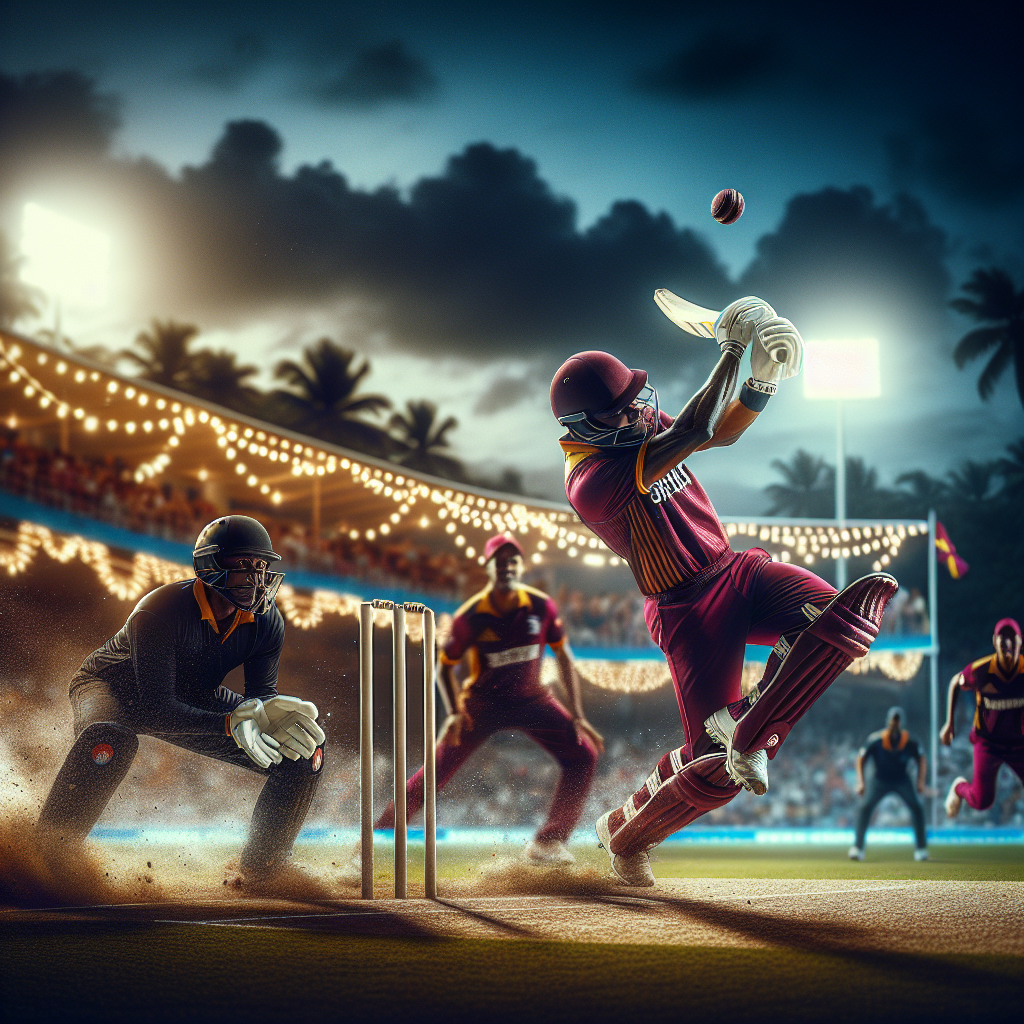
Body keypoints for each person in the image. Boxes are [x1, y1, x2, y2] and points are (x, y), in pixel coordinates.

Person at [550, 291, 897, 885]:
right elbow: (693, 429)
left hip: (738, 572)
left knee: (833, 615)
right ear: (584, 426)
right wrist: (733, 346)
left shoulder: (630, 424)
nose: (638, 413)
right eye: (621, 410)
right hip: (687, 609)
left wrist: (760, 383)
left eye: (638, 401)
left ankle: (746, 732)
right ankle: (626, 835)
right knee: (711, 772)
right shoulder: (590, 480)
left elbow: (719, 434)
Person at [35, 515, 327, 884]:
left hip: (191, 693)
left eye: (261, 566)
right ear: (210, 565)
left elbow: (260, 699)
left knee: (303, 753)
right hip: (112, 686)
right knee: (109, 737)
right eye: (243, 565)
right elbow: (157, 709)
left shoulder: (267, 621)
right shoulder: (160, 609)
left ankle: (260, 871)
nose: (255, 578)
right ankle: (44, 858)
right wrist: (226, 723)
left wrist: (269, 713)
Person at [365, 533, 603, 867]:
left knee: (583, 755)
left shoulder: (540, 606)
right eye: (499, 561)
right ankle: (374, 844)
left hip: (532, 701)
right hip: (482, 706)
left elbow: (563, 657)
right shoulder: (472, 616)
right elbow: (444, 669)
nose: (506, 566)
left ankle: (547, 844)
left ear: (520, 566)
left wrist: (577, 714)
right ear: (489, 567)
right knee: (432, 776)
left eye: (512, 561)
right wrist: (452, 713)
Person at [942, 618, 1024, 820]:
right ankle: (959, 788)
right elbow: (956, 682)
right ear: (994, 641)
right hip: (988, 743)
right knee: (981, 801)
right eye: (1002, 639)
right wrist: (949, 724)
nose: (1007, 644)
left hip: (1019, 744)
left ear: (1020, 642)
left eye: (1012, 639)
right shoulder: (980, 670)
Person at [849, 706, 928, 861]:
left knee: (917, 808)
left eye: (897, 722)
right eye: (892, 722)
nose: (894, 725)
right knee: (865, 808)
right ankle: (858, 848)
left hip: (902, 780)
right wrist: (861, 782)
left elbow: (921, 759)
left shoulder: (910, 741)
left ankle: (921, 849)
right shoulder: (876, 740)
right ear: (888, 722)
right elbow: (861, 758)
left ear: (901, 723)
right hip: (879, 780)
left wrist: (920, 782)